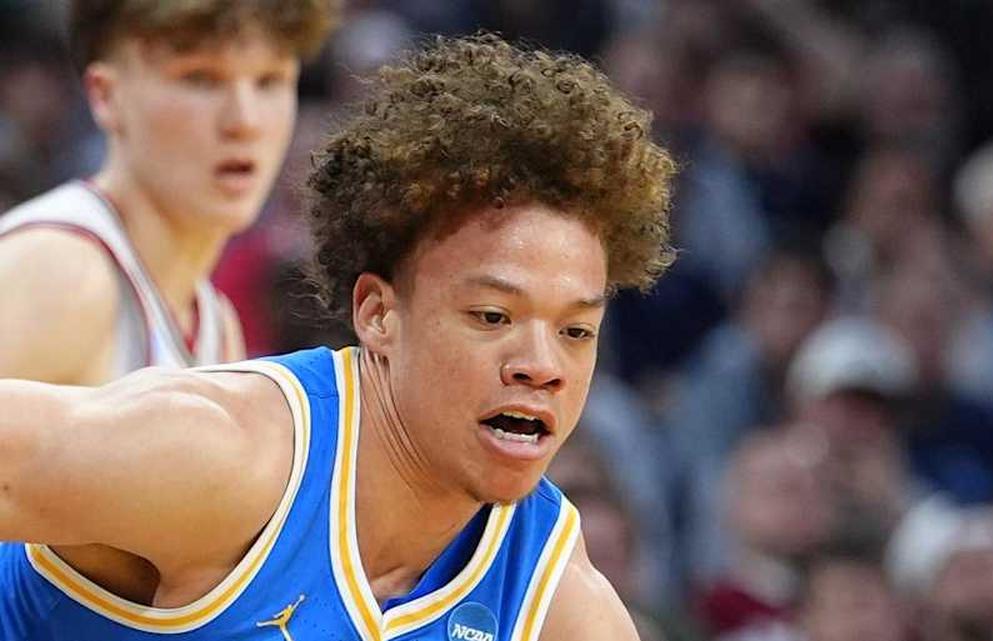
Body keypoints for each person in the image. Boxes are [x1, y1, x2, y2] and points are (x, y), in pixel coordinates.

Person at [0, 32, 677, 641]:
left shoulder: (551, 595)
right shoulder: (227, 459)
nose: (542, 365)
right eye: (492, 317)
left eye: (576, 330)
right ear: (379, 314)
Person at [0, 1, 339, 383]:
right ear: (106, 96)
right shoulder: (61, 272)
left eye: (269, 80)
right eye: (200, 79)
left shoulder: (216, 324)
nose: (245, 121)